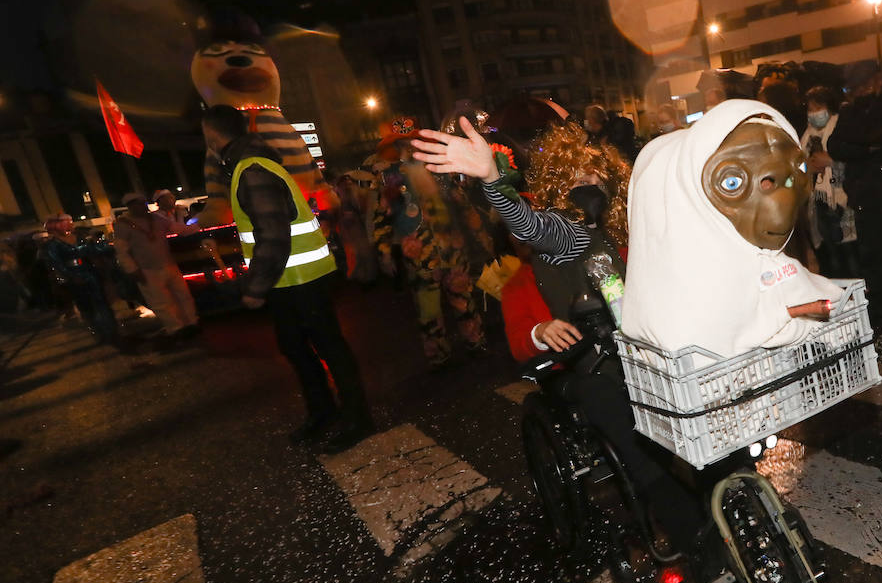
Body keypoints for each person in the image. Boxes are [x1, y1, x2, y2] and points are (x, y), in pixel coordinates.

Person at [411, 116, 706, 555]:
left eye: (597, 178)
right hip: (587, 368)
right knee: (612, 408)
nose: (591, 186)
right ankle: (691, 530)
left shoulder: (619, 236)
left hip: (641, 352)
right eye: (578, 179)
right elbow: (531, 228)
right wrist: (492, 181)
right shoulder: (566, 236)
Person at [201, 104, 373, 449]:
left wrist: (254, 288)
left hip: (300, 279)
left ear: (213, 135)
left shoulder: (251, 169)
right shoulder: (253, 165)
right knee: (296, 347)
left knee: (327, 347)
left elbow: (273, 235)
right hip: (290, 279)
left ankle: (357, 419)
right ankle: (324, 411)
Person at [370, 128, 495, 371]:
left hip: (452, 250)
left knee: (463, 300)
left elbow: (464, 206)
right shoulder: (391, 178)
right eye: (405, 144)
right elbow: (381, 217)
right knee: (429, 311)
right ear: (399, 148)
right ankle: (439, 356)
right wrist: (384, 251)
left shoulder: (441, 171)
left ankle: (475, 342)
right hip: (420, 256)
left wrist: (482, 236)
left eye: (414, 143)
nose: (410, 148)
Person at [827, 59, 882, 322]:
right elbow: (835, 145)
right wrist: (865, 149)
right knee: (871, 255)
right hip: (865, 194)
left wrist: (858, 143)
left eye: (867, 83)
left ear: (880, 79)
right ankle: (879, 307)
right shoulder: (851, 110)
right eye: (858, 87)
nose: (863, 90)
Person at [112, 192, 199, 340]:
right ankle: (176, 329)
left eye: (143, 203)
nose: (142, 206)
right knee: (161, 303)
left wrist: (202, 224)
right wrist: (133, 270)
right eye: (138, 204)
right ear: (130, 206)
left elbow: (180, 229)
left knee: (183, 296)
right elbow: (121, 251)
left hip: (168, 265)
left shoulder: (156, 219)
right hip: (147, 270)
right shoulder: (123, 225)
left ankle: (191, 323)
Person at [801, 85, 859, 278]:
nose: (814, 113)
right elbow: (799, 165)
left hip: (843, 200)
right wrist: (808, 167)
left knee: (850, 253)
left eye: (818, 107)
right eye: (810, 109)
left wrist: (832, 161)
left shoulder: (842, 129)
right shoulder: (807, 136)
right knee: (830, 253)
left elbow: (855, 159)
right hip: (819, 203)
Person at [41, 214, 122, 349]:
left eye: (70, 221)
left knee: (101, 302)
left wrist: (110, 247)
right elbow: (56, 263)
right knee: (86, 306)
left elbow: (94, 250)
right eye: (67, 222)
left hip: (90, 272)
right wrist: (71, 276)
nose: (71, 224)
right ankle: (99, 332)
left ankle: (112, 330)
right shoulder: (52, 245)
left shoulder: (79, 238)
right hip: (74, 278)